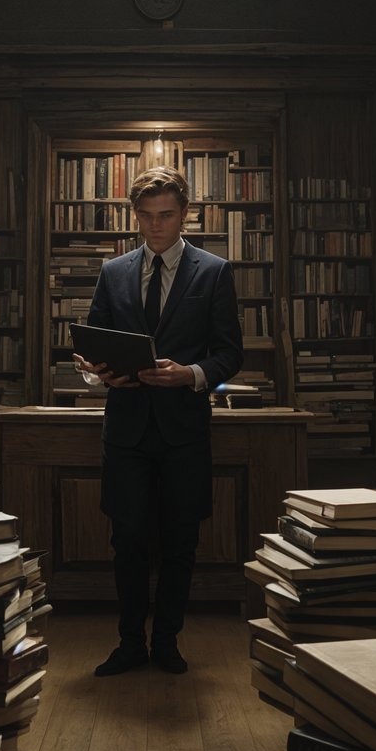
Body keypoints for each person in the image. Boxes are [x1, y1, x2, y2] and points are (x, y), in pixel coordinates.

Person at [72, 165, 243, 677]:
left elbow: (229, 354)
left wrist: (190, 374)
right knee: (126, 541)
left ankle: (166, 642)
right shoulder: (113, 271)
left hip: (183, 432)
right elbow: (95, 345)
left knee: (179, 541)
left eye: (166, 216)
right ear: (135, 216)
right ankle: (129, 643)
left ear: (185, 213)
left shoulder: (214, 272)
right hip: (125, 429)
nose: (155, 227)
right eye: (145, 217)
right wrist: (97, 374)